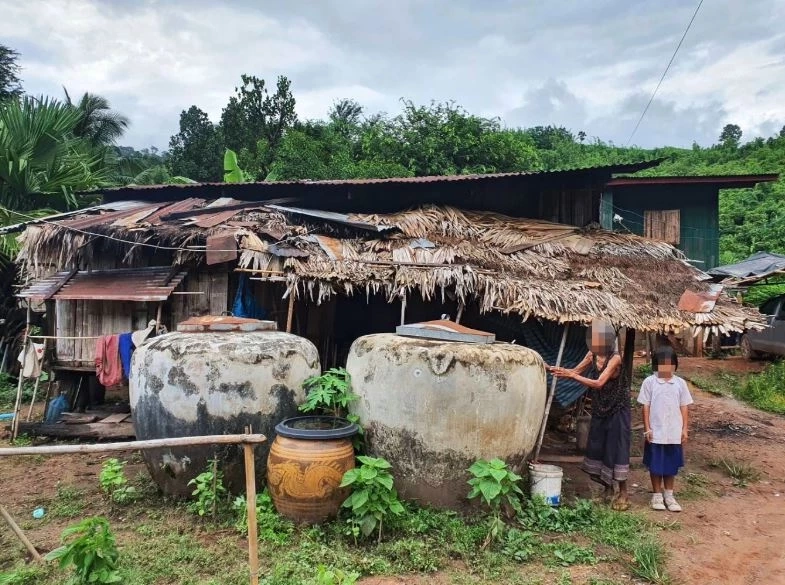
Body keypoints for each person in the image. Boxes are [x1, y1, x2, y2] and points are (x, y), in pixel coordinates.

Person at [551, 320, 631, 510]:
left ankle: (624, 494)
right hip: (601, 407)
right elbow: (576, 371)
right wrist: (556, 370)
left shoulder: (615, 358)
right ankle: (608, 489)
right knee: (598, 445)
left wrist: (572, 376)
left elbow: (598, 383)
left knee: (617, 447)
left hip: (618, 408)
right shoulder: (592, 354)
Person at [638, 345, 693, 512]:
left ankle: (669, 495)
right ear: (656, 365)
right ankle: (656, 495)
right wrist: (648, 428)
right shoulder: (650, 382)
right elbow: (645, 406)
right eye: (663, 364)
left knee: (670, 464)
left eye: (670, 364)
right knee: (655, 464)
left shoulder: (680, 383)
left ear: (675, 364)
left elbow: (684, 406)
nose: (667, 368)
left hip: (673, 432)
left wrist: (684, 429)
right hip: (656, 432)